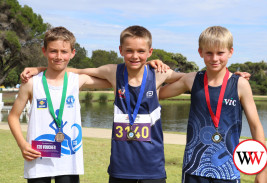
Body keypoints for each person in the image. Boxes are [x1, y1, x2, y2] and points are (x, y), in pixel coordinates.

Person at [21, 25, 185, 183]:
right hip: (121, 167)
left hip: (152, 167)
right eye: (129, 51)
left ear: (149, 52)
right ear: (120, 50)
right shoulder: (113, 72)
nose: (135, 56)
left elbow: (190, 79)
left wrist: (152, 64)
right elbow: (77, 72)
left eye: (141, 51)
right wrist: (41, 69)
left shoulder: (159, 74)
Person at [159, 26, 267, 183]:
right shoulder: (191, 80)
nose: (215, 58)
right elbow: (158, 94)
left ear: (230, 52)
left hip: (228, 170)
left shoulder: (240, 84)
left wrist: (262, 170)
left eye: (220, 53)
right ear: (200, 52)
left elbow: (255, 126)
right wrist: (155, 67)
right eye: (209, 53)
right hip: (194, 169)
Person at [8, 26, 112, 183]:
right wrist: (22, 144)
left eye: (64, 52)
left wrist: (44, 68)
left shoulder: (77, 80)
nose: (58, 56)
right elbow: (13, 117)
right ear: (44, 51)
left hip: (68, 161)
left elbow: (111, 79)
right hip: (38, 158)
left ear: (73, 53)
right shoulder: (31, 83)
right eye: (53, 51)